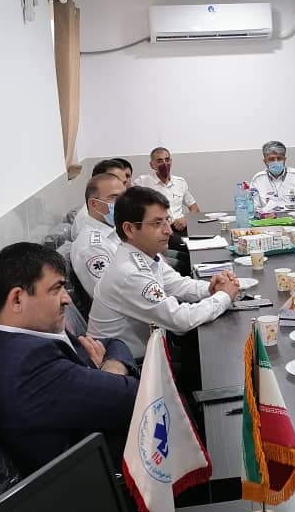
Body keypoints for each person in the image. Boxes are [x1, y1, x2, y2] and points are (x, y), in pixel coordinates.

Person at [0, 242, 140, 474]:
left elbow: (111, 343)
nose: (67, 299)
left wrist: (108, 370)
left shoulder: (13, 336)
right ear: (17, 299)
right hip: (98, 471)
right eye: (56, 289)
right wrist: (109, 376)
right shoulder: (28, 363)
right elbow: (133, 399)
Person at [87, 186, 240, 358]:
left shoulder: (145, 254)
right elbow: (180, 320)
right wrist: (224, 296)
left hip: (149, 353)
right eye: (157, 223)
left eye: (167, 220)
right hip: (129, 365)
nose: (168, 230)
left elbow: (179, 285)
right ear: (129, 229)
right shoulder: (130, 273)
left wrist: (213, 288)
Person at [70, 173, 127, 296]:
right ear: (94, 204)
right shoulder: (91, 247)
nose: (123, 203)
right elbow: (113, 296)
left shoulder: (114, 230)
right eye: (113, 197)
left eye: (124, 197)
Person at [135, 147, 199, 235]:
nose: (164, 164)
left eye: (167, 160)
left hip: (180, 228)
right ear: (152, 165)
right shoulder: (142, 182)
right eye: (160, 161)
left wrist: (185, 219)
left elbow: (195, 209)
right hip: (157, 230)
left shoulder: (180, 182)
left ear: (171, 161)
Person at [71, 158, 133, 239]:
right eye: (113, 179)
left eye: (124, 183)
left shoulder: (108, 217)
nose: (122, 187)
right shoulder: (86, 220)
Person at [249, 140, 295, 212]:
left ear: (284, 159)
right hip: (268, 218)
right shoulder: (258, 179)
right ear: (265, 161)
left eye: (279, 158)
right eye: (271, 159)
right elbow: (254, 207)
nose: (276, 162)